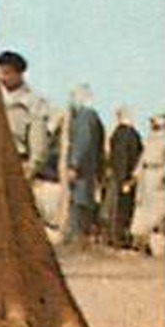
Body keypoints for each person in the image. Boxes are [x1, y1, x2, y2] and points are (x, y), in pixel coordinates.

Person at [0, 50, 50, 182]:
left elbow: (39, 144)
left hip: (16, 164)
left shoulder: (33, 103)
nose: (2, 78)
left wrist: (29, 170)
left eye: (7, 73)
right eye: (0, 72)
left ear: (19, 74)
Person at [64, 85, 106, 244]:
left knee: (79, 201)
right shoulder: (92, 116)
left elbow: (82, 141)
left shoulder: (85, 116)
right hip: (89, 168)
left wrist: (74, 164)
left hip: (82, 170)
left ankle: (78, 238)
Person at [103, 107, 143, 248]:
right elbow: (125, 158)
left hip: (118, 175)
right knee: (122, 209)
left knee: (116, 208)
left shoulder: (117, 134)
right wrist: (125, 179)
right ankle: (119, 239)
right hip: (125, 177)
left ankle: (115, 238)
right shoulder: (129, 134)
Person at [128, 113, 165, 254]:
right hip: (146, 177)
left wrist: (164, 177)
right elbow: (142, 159)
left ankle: (157, 244)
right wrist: (134, 177)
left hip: (158, 176)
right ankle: (141, 243)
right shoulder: (150, 139)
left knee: (157, 211)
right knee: (142, 208)